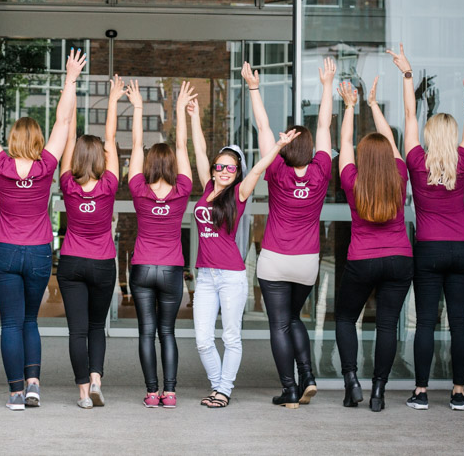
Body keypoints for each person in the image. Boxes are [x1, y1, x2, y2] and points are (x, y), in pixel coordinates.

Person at [388, 42, 464, 411]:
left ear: (428, 135)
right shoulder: (463, 159)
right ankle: (458, 393)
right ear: (450, 137)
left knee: (424, 323)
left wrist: (407, 73)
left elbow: (409, 114)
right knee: (458, 323)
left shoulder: (417, 160)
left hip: (430, 249)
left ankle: (421, 392)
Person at [0, 45, 83, 411]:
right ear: (36, 141)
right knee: (30, 321)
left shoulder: (0, 164)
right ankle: (34, 384)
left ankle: (16, 392)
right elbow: (63, 123)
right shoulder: (45, 166)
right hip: (36, 253)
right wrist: (69, 79)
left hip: (4, 252)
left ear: (15, 140)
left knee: (10, 324)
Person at [188, 96, 301, 408]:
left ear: (237, 173)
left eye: (231, 168)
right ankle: (218, 387)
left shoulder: (237, 194)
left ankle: (223, 391)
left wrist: (277, 148)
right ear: (213, 169)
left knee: (231, 338)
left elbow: (261, 168)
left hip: (231, 275)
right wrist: (195, 117)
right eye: (220, 166)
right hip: (206, 276)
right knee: (202, 340)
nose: (225, 170)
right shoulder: (206, 189)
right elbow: (199, 150)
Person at [242, 58, 336, 407]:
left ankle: (290, 389)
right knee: (295, 318)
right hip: (307, 262)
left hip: (274, 261)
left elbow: (263, 125)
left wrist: (254, 88)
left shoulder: (276, 168)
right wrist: (326, 85)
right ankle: (308, 375)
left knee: (279, 325)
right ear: (309, 150)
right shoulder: (321, 170)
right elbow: (324, 125)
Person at [335, 78, 413, 412]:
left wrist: (350, 107)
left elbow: (345, 143)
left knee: (344, 318)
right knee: (386, 325)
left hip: (362, 259)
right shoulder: (399, 174)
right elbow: (392, 144)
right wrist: (373, 105)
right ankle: (378, 391)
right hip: (399, 259)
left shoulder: (352, 180)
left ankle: (352, 381)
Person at [125, 79, 196, 409]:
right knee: (167, 333)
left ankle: (151, 392)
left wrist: (138, 107)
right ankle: (170, 392)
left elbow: (137, 142)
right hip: (170, 271)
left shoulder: (138, 188)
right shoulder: (183, 190)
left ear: (149, 164)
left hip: (141, 268)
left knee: (145, 333)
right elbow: (182, 147)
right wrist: (180, 110)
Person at [57, 74, 125, 409]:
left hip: (71, 262)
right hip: (101, 264)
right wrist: (113, 99)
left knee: (77, 331)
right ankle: (97, 378)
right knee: (97, 326)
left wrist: (69, 91)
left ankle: (83, 393)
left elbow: (68, 135)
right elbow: (110, 138)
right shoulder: (109, 184)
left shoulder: (67, 182)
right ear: (100, 159)